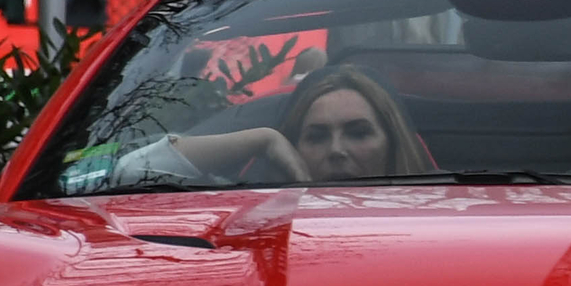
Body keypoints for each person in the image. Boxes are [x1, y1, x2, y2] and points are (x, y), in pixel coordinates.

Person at [118, 64, 435, 185]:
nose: (336, 150)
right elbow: (131, 172)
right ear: (293, 150)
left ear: (393, 141)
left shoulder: (441, 215)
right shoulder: (255, 213)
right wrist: (264, 140)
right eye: (316, 136)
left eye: (358, 132)